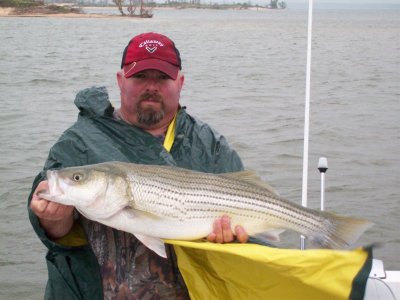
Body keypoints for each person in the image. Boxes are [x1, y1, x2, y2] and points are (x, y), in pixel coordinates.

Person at [28, 32, 248, 299]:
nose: (151, 86)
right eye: (140, 76)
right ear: (121, 81)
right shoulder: (81, 142)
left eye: (163, 77)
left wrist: (234, 238)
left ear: (180, 83)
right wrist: (54, 219)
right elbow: (57, 235)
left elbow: (247, 235)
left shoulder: (210, 145)